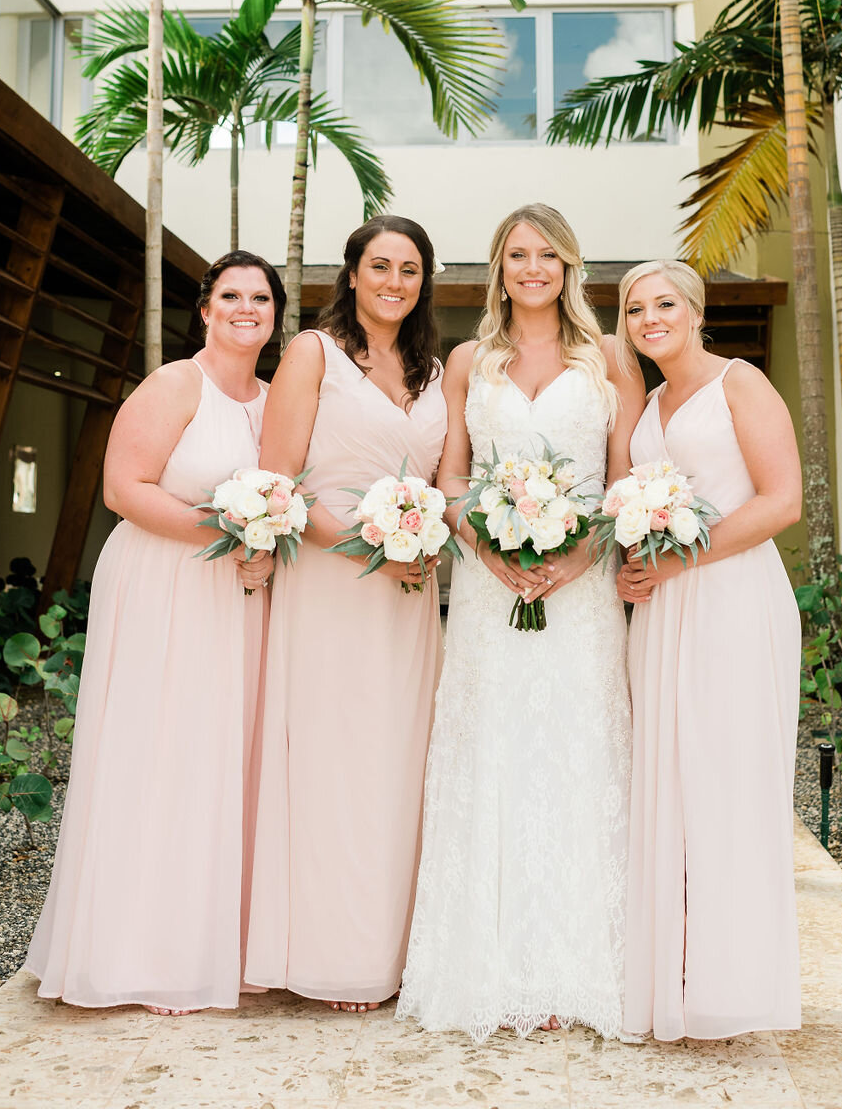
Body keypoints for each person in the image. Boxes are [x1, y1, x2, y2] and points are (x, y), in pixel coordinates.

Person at [397, 204, 645, 1042]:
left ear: (570, 266)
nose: (531, 267)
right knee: (491, 750)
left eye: (547, 254)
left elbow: (624, 483)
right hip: (485, 588)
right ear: (497, 268)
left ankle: (577, 969)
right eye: (516, 254)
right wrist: (489, 548)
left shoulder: (611, 358)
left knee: (578, 752)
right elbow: (454, 477)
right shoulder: (470, 360)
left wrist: (579, 559)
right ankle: (485, 967)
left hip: (581, 593)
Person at [26, 251, 283, 1013]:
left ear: (275, 315)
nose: (246, 308)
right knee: (159, 751)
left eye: (260, 298)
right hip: (163, 585)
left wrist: (260, 546)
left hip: (235, 595)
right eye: (230, 295)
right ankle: (141, 954)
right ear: (205, 309)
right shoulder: (176, 383)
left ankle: (211, 943)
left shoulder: (275, 400)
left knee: (221, 757)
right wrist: (229, 530)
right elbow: (122, 488)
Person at [244, 215, 446, 1012]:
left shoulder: (432, 371)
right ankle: (334, 957)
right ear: (353, 275)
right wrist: (374, 546)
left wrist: (420, 546)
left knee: (399, 764)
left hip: (409, 597)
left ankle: (394, 951)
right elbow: (277, 484)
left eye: (410, 268)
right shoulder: (312, 354)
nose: (395, 281)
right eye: (380, 266)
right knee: (334, 763)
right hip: (331, 583)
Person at [616, 259, 802, 1041]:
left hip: (730, 598)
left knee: (728, 780)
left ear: (694, 310)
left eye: (663, 303)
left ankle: (734, 984)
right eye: (633, 309)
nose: (649, 318)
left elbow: (781, 500)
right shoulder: (650, 401)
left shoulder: (741, 383)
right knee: (669, 782)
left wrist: (677, 558)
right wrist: (631, 569)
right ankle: (677, 968)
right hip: (662, 609)